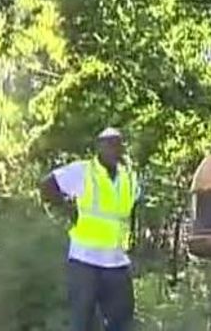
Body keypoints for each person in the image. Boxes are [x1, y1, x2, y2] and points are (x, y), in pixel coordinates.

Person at [40, 127, 142, 331]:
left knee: (123, 323)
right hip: (85, 261)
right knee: (82, 322)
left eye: (118, 145)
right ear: (100, 147)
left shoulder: (129, 177)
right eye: (110, 144)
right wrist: (68, 209)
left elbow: (131, 213)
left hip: (116, 263)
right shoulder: (83, 171)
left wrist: (133, 245)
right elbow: (47, 185)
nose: (115, 150)